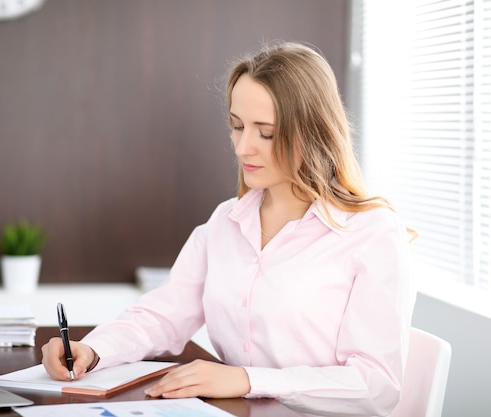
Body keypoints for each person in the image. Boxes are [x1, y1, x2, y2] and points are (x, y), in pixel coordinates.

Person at [41, 41, 415, 416]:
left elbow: (376, 385)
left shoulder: (372, 233)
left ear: (312, 132)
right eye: (237, 126)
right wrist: (92, 351)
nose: (242, 147)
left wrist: (248, 380)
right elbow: (163, 314)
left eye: (265, 133)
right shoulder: (226, 221)